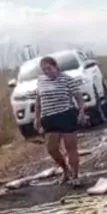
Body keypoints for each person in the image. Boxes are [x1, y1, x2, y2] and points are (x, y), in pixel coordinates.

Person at [34, 56, 86, 186]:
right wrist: (37, 118)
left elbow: (79, 98)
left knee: (71, 148)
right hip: (49, 118)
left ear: (55, 67)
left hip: (66, 115)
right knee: (51, 149)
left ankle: (75, 176)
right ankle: (65, 170)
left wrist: (81, 112)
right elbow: (38, 101)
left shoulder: (67, 79)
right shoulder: (41, 81)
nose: (47, 71)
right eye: (44, 69)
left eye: (49, 68)